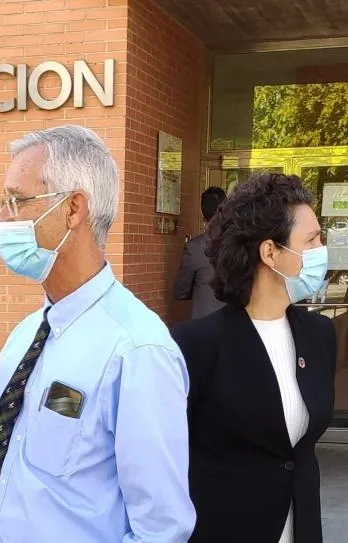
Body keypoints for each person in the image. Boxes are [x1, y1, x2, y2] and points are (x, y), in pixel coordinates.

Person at [0, 125, 195, 542]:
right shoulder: (32, 331)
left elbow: (161, 527)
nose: (1, 218)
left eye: (15, 201)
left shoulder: (136, 350)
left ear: (73, 208)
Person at [171, 173, 335, 543]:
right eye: (312, 240)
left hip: (301, 527)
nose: (322, 249)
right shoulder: (195, 344)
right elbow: (166, 461)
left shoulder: (319, 335)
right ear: (270, 253)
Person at [173, 186, 227, 319]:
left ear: (203, 214)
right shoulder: (241, 244)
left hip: (204, 325)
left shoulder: (195, 248)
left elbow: (180, 291)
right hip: (237, 326)